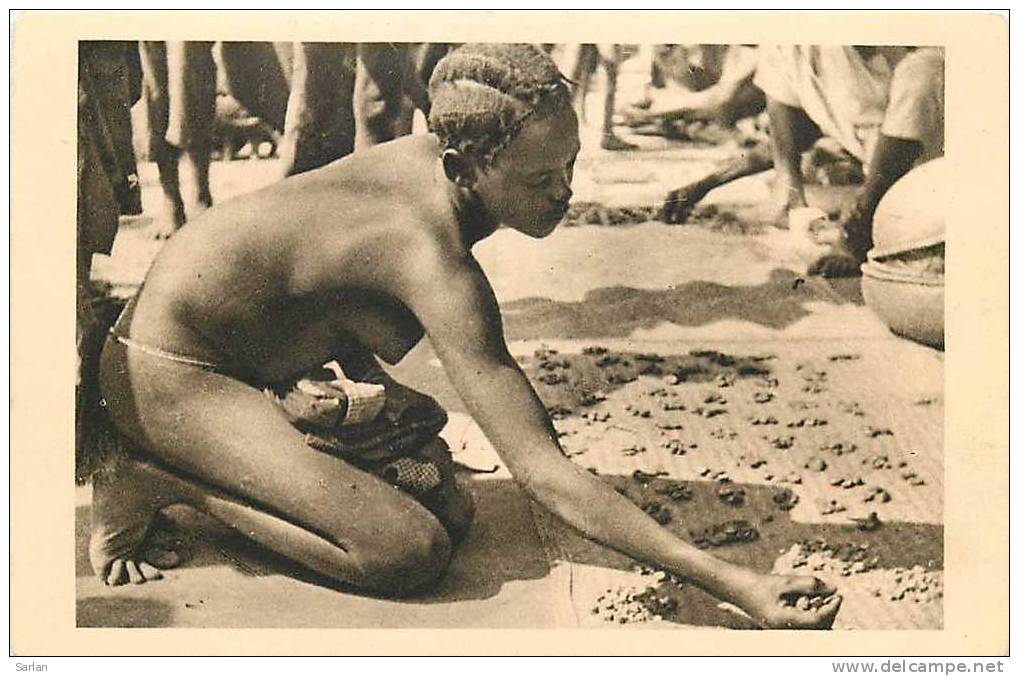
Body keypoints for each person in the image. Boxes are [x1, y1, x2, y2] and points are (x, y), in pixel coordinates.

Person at [90, 44, 840, 629]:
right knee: (406, 551)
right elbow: (544, 474)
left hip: (240, 347)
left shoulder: (437, 157)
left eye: (570, 166)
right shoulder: (426, 252)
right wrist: (739, 583)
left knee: (445, 502)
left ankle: (262, 454)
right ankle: (158, 480)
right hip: (171, 373)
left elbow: (330, 288)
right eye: (541, 178)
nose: (565, 193)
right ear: (463, 166)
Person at [754, 45, 944, 276]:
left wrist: (855, 233)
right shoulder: (793, 43)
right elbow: (781, 89)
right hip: (886, 178)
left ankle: (866, 219)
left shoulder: (926, 63)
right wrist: (789, 186)